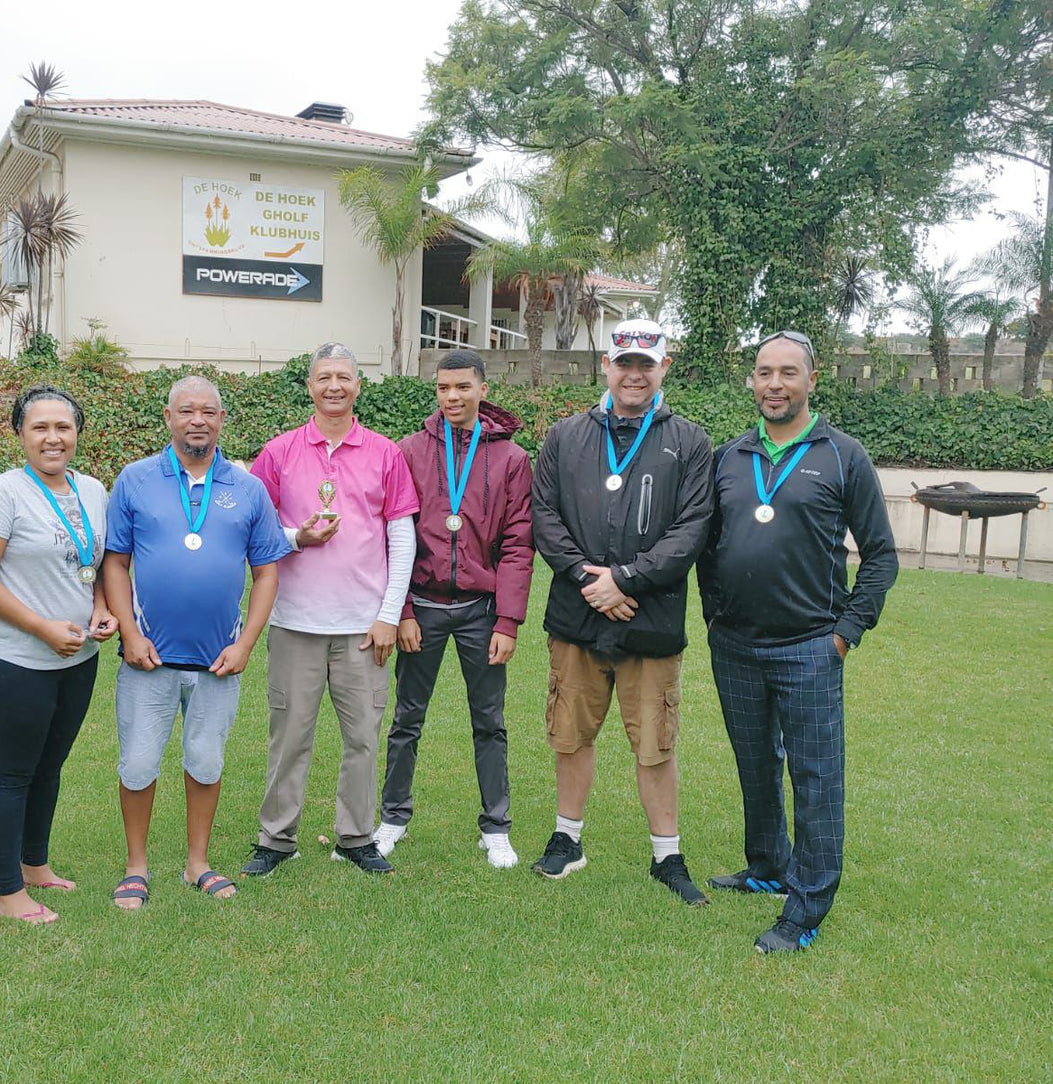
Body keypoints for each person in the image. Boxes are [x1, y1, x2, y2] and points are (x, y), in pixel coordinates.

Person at [698, 330, 898, 953]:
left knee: (816, 779)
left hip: (810, 647)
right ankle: (766, 866)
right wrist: (714, 617)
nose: (775, 384)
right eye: (764, 372)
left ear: (812, 380)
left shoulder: (843, 455)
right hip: (734, 646)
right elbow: (705, 546)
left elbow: (882, 556)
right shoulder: (730, 457)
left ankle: (806, 908)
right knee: (755, 766)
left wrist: (845, 634)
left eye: (788, 373)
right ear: (751, 381)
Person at [529, 318, 714, 905]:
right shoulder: (564, 437)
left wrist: (627, 579)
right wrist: (591, 579)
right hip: (578, 615)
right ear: (605, 366)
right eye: (624, 363)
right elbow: (544, 517)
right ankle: (567, 840)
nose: (634, 374)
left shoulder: (690, 441)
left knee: (655, 742)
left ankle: (667, 856)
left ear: (663, 369)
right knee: (570, 735)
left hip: (650, 618)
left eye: (646, 364)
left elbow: (693, 529)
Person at [100, 375, 290, 909]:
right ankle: (136, 866)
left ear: (222, 420)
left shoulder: (247, 487)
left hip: (217, 661)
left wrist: (246, 644)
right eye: (187, 411)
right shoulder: (135, 480)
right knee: (137, 764)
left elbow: (268, 571)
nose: (197, 420)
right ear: (168, 418)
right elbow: (115, 563)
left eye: (208, 411)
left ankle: (197, 863)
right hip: (147, 659)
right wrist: (130, 633)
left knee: (206, 762)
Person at [241, 342, 419, 878]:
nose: (334, 386)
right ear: (310, 386)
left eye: (344, 376)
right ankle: (276, 838)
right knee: (290, 735)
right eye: (324, 377)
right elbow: (256, 528)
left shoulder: (386, 453)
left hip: (364, 625)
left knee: (363, 737)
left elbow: (401, 535)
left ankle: (356, 836)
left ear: (358, 386)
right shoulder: (279, 452)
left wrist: (389, 613)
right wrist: (299, 537)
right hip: (295, 619)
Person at [0, 386, 117, 925]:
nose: (53, 438)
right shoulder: (1, 495)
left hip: (74, 661)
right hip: (12, 661)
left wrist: (100, 608)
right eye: (40, 428)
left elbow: (90, 563)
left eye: (63, 427)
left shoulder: (93, 490)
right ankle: (8, 894)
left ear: (77, 433)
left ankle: (35, 866)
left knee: (49, 767)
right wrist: (41, 627)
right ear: (19, 434)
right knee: (12, 773)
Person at [372, 349, 533, 868]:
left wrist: (507, 619)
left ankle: (496, 827)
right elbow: (392, 536)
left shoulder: (511, 458)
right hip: (422, 605)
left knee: (489, 721)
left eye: (463, 387)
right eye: (443, 388)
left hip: (481, 611)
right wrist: (402, 613)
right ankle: (393, 817)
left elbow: (517, 543)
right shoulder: (410, 450)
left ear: (482, 389)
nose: (452, 397)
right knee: (406, 720)